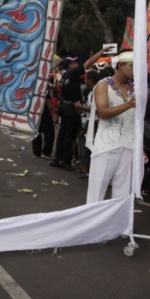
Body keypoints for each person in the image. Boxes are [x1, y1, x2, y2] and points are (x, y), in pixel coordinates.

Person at [86, 52, 136, 203]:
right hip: (106, 145)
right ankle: (92, 224)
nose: (136, 70)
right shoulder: (103, 85)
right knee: (97, 190)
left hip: (128, 144)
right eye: (132, 66)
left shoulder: (135, 88)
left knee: (123, 192)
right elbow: (103, 112)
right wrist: (128, 104)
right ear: (120, 66)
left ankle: (119, 226)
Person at [51, 49, 105, 171]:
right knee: (69, 136)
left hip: (64, 106)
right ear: (70, 66)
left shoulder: (64, 77)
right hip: (71, 108)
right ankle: (66, 161)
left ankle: (58, 158)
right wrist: (101, 51)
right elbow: (90, 61)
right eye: (74, 63)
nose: (77, 64)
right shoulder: (73, 73)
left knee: (62, 133)